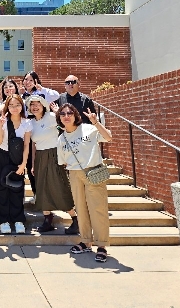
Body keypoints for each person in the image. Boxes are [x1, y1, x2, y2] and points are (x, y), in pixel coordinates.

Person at [57, 103, 112, 263]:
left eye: (69, 113)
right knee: (81, 209)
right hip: (75, 174)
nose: (66, 116)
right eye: (62, 114)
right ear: (59, 118)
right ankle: (86, 240)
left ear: (75, 115)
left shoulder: (89, 129)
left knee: (98, 209)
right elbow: (63, 161)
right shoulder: (61, 138)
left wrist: (96, 122)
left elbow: (108, 137)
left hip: (93, 172)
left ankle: (101, 245)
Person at [26, 95, 78, 235]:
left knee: (59, 187)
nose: (35, 107)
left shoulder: (50, 116)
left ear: (43, 105)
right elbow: (34, 145)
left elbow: (66, 126)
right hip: (40, 158)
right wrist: (33, 163)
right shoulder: (31, 123)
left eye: (38, 104)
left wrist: (57, 113)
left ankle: (75, 219)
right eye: (32, 104)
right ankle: (47, 219)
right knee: (42, 189)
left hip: (55, 155)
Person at [0, 94, 32, 234]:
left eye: (17, 105)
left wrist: (23, 164)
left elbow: (27, 145)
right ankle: (3, 221)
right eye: (11, 105)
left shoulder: (26, 122)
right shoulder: (2, 121)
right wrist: (0, 126)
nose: (15, 108)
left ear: (22, 106)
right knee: (0, 189)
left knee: (17, 188)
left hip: (17, 158)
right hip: (1, 156)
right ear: (7, 107)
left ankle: (18, 219)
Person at [20, 71, 59, 202]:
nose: (28, 82)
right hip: (28, 128)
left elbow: (56, 95)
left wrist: (42, 89)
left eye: (31, 80)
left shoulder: (42, 93)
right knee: (31, 163)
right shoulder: (22, 96)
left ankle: (48, 194)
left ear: (36, 81)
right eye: (26, 80)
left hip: (42, 127)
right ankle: (36, 193)